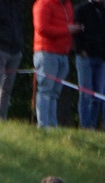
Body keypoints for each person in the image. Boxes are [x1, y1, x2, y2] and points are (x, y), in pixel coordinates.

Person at [33, 0, 81, 128]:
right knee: (45, 90)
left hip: (63, 53)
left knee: (55, 93)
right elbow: (41, 28)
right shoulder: (43, 4)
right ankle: (43, 125)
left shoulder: (68, 5)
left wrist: (74, 29)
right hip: (47, 53)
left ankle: (52, 125)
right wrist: (66, 30)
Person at [74, 0, 105, 129]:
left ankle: (92, 125)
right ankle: (85, 126)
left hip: (101, 58)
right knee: (85, 93)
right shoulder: (81, 9)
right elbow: (75, 31)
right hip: (85, 57)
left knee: (98, 95)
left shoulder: (103, 10)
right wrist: (80, 50)